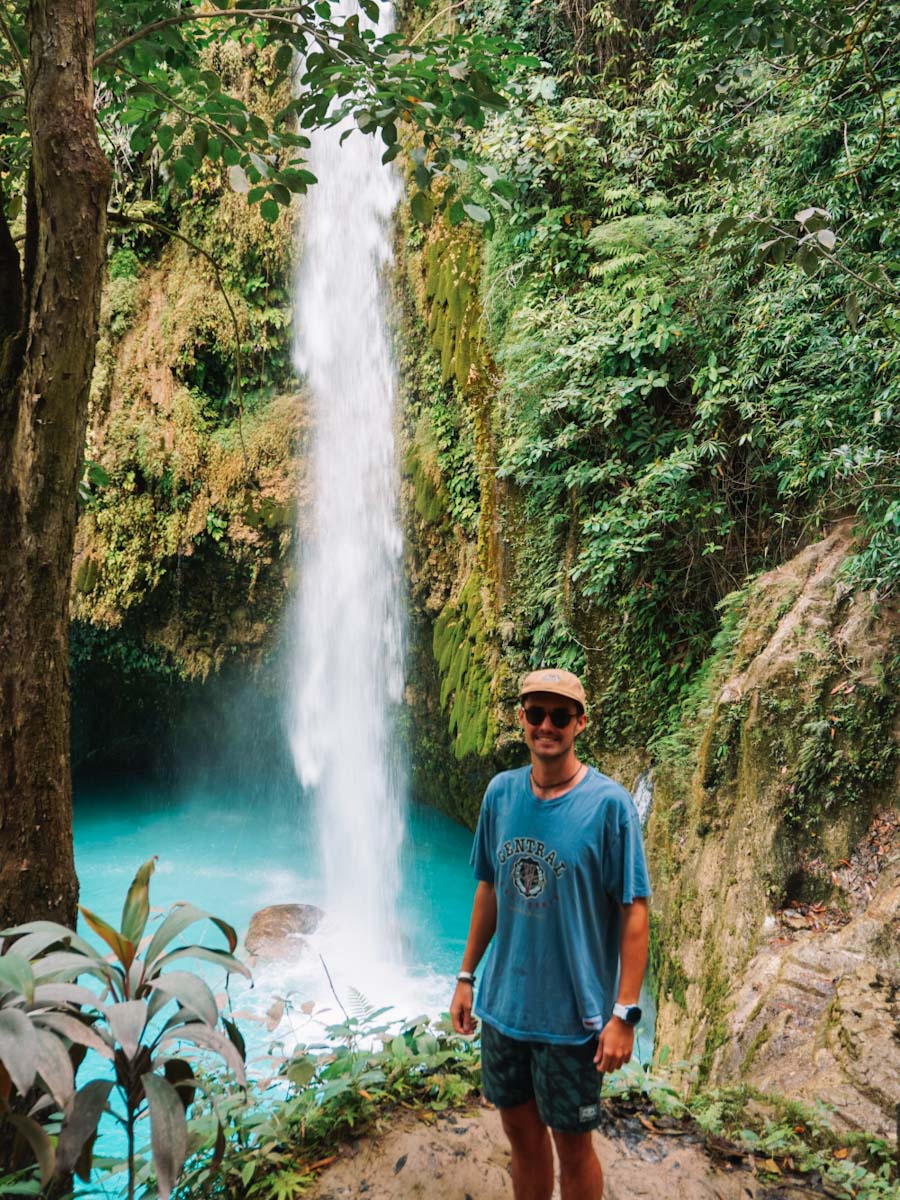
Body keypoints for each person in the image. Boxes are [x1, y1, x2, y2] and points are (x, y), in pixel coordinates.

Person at [450, 667, 651, 1200]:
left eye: (559, 716)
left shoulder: (609, 807)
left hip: (575, 1021)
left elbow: (634, 912)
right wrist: (467, 975)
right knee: (520, 1134)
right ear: (521, 719)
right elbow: (488, 889)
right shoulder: (501, 794)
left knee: (574, 1146)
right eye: (536, 713)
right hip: (505, 1010)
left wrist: (624, 1015)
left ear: (580, 723)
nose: (546, 725)